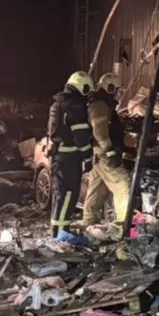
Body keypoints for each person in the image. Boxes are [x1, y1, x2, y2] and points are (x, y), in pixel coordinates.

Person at [81, 72, 131, 231]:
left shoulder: (102, 104)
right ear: (109, 88)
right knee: (123, 184)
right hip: (104, 152)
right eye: (116, 89)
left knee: (98, 188)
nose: (118, 93)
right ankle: (124, 225)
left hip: (98, 152)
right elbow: (100, 133)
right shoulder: (100, 105)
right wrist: (111, 153)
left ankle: (89, 222)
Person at [46, 71, 94, 235]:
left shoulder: (58, 104)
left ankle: (56, 229)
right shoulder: (75, 106)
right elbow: (81, 136)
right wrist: (88, 156)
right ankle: (62, 231)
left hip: (59, 157)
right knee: (68, 195)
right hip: (70, 159)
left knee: (60, 194)